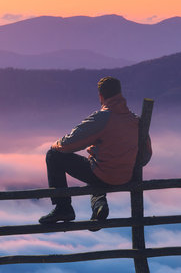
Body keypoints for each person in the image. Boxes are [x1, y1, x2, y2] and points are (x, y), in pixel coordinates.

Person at [39, 76, 150, 229]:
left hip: (103, 174)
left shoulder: (102, 118)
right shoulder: (135, 120)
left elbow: (68, 144)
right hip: (126, 176)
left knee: (53, 155)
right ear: (120, 93)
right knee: (95, 166)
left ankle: (63, 208)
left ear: (101, 96)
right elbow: (146, 155)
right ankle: (99, 205)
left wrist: (54, 145)